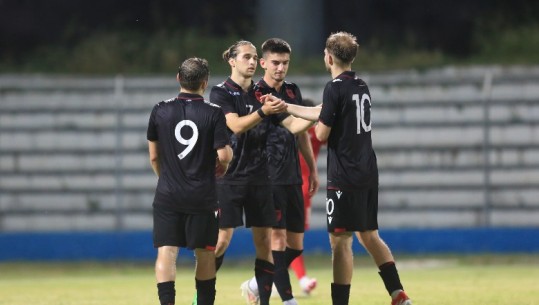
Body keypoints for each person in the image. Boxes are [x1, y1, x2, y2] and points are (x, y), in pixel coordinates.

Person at [286, 32, 412, 305]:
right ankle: (398, 293)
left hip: (344, 175)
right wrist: (289, 107)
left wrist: (296, 118)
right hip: (367, 170)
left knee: (340, 242)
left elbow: (320, 132)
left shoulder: (333, 88)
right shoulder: (361, 85)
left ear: (328, 57)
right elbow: (328, 112)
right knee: (369, 236)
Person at [210, 40, 314, 305]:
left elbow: (292, 126)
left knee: (268, 247)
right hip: (230, 177)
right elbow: (234, 126)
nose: (253, 62)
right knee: (221, 241)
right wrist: (263, 111)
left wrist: (323, 113)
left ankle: (263, 297)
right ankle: (202, 296)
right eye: (247, 57)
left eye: (255, 57)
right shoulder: (221, 92)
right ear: (232, 61)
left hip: (261, 178)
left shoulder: (262, 93)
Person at [239, 38, 319, 305]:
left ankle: (255, 283)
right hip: (267, 175)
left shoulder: (292, 90)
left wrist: (312, 168)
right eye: (275, 62)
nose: (280, 68)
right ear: (263, 63)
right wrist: (325, 110)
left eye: (285, 63)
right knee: (277, 238)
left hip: (292, 174)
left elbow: (302, 134)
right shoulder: (258, 93)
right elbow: (295, 125)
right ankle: (287, 300)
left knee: (295, 245)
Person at [147, 57, 233, 305]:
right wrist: (223, 168)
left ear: (178, 79)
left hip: (168, 194)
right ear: (204, 83)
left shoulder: (160, 109)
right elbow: (224, 155)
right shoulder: (214, 112)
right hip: (202, 195)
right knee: (205, 254)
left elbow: (154, 156)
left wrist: (165, 179)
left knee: (167, 252)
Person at [289, 99, 326, 295]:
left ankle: (271, 279)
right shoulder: (316, 132)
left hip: (296, 187)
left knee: (284, 236)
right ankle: (301, 279)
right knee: (290, 236)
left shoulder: (288, 127)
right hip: (302, 188)